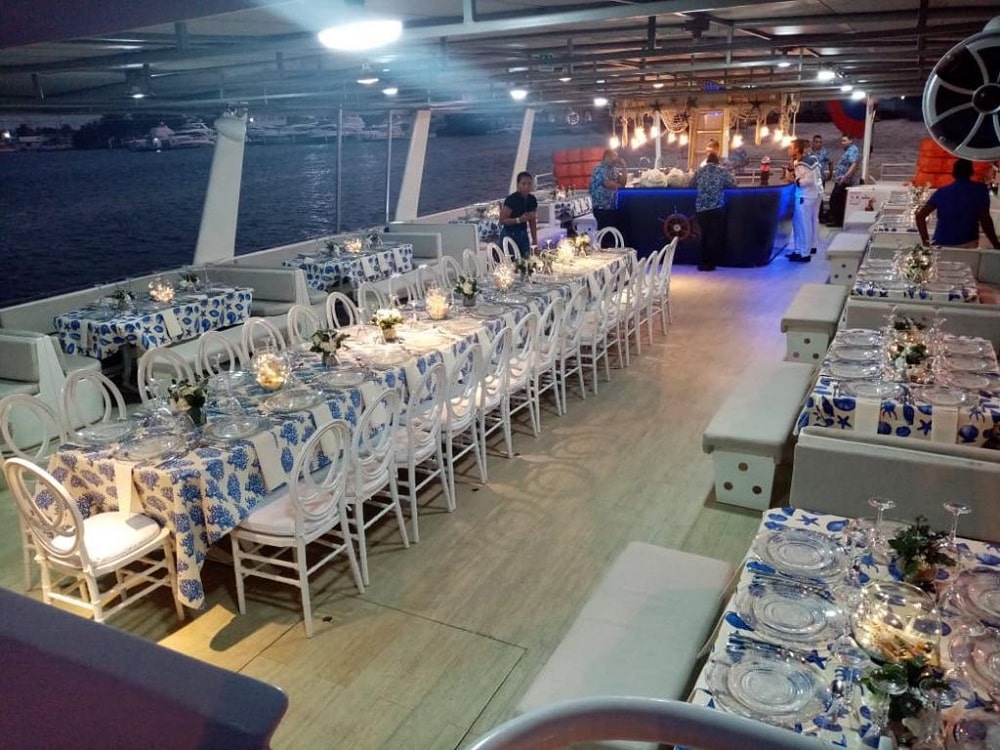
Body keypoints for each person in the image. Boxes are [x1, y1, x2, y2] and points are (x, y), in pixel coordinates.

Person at [915, 158, 1000, 249]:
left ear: (954, 174)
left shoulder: (942, 192)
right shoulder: (980, 190)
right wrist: (995, 244)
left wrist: (926, 243)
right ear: (971, 172)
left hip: (940, 243)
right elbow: (985, 220)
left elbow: (920, 216)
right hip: (967, 242)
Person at [692, 152, 735, 271]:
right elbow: (733, 185)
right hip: (716, 208)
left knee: (704, 235)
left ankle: (703, 263)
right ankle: (712, 263)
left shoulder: (699, 171)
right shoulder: (722, 171)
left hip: (701, 208)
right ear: (717, 162)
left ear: (707, 161)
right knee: (714, 236)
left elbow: (691, 184)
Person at [786, 138, 823, 262]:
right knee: (801, 223)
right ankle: (800, 249)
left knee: (803, 224)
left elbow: (808, 180)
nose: (788, 150)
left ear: (797, 149)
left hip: (805, 196)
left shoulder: (804, 163)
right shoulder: (810, 160)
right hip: (809, 194)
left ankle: (804, 252)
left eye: (790, 148)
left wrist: (795, 181)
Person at [589, 149, 627, 242]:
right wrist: (619, 186)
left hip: (611, 207)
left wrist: (624, 168)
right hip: (601, 208)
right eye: (614, 156)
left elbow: (623, 183)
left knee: (612, 234)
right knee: (604, 235)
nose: (616, 159)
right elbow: (609, 184)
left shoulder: (614, 169)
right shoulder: (599, 169)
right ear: (607, 157)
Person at [499, 171, 538, 258]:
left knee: (526, 260)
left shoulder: (532, 200)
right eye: (523, 184)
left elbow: (532, 221)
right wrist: (519, 220)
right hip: (509, 234)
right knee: (513, 261)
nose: (526, 186)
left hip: (523, 234)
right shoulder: (511, 200)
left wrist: (534, 239)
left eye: (529, 184)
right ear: (518, 185)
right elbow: (502, 221)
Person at [827, 133, 860, 227]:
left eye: (845, 140)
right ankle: (837, 220)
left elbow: (854, 164)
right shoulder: (848, 150)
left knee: (835, 200)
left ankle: (838, 220)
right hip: (840, 179)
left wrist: (845, 177)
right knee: (837, 200)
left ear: (851, 140)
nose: (842, 143)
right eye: (842, 141)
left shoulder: (853, 150)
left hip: (844, 180)